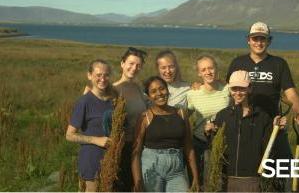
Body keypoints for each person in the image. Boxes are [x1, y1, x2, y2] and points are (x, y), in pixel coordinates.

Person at [225, 21, 299, 189]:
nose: (259, 42)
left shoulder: (279, 64)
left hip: (274, 125)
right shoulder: (237, 62)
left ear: (269, 41)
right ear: (248, 40)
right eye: (255, 38)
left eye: (263, 39)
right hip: (245, 126)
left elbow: (290, 91)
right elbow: (229, 90)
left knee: (284, 168)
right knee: (249, 172)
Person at [205, 70, 287, 192]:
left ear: (250, 88)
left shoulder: (262, 117)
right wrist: (208, 132)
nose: (238, 93)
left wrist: (277, 130)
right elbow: (214, 146)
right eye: (234, 89)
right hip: (227, 179)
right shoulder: (223, 115)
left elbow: (269, 149)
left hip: (253, 180)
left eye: (242, 88)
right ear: (229, 89)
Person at [83, 47, 148, 191]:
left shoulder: (138, 88)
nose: (134, 68)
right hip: (120, 149)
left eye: (138, 65)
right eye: (131, 63)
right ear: (122, 63)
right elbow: (90, 108)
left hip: (138, 147)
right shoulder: (111, 89)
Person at [131, 76, 199, 192]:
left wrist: (195, 178)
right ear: (148, 96)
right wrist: (138, 181)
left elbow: (189, 147)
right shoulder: (145, 117)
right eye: (153, 91)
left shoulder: (181, 113)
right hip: (152, 168)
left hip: (177, 170)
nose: (159, 93)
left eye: (162, 88)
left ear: (167, 89)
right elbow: (136, 152)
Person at [66, 59, 114, 192]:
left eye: (106, 75)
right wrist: (96, 140)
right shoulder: (84, 101)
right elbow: (69, 135)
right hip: (91, 159)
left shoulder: (113, 100)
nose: (103, 79)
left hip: (112, 158)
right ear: (89, 75)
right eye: (98, 75)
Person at [186, 55, 231, 186]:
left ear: (216, 69)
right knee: (204, 182)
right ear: (199, 73)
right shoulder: (193, 93)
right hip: (202, 144)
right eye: (204, 69)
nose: (208, 72)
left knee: (222, 182)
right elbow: (184, 118)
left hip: (225, 143)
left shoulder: (227, 89)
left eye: (211, 68)